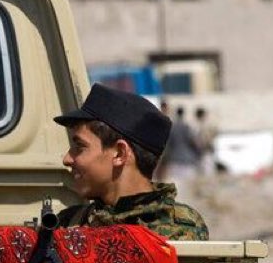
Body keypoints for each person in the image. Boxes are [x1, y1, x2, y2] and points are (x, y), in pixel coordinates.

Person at [55, 83, 209, 241]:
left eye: (80, 146)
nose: (67, 159)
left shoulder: (182, 232)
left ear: (120, 153)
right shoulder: (67, 223)